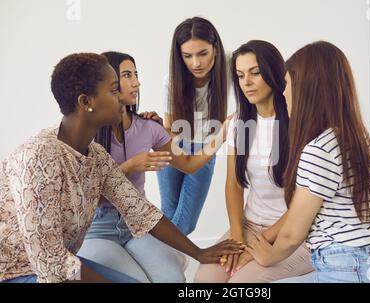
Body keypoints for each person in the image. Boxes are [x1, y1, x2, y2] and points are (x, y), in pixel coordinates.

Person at [0, 53, 243, 283]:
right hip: (18, 272)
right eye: (115, 89)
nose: (124, 96)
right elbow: (49, 265)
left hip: (62, 262)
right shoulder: (39, 157)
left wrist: (199, 253)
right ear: (86, 102)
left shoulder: (96, 156)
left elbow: (141, 211)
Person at [246, 41, 370, 283]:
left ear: (309, 88)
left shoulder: (319, 150)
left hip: (347, 269)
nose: (283, 93)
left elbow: (293, 234)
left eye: (287, 85)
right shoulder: (356, 136)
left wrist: (269, 255)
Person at [78, 51, 231, 282]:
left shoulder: (149, 127)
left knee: (173, 279)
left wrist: (220, 136)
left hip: (138, 225)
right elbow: (82, 198)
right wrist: (128, 167)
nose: (137, 82)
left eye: (136, 74)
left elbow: (188, 164)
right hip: (97, 229)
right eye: (127, 75)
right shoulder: (85, 135)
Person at [194, 41, 314, 283]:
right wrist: (238, 238)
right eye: (240, 75)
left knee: (241, 284)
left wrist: (259, 244)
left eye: (255, 73)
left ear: (273, 73)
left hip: (293, 232)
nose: (246, 82)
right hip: (250, 226)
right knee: (205, 280)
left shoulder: (298, 125)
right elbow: (233, 186)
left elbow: (301, 204)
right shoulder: (239, 123)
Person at [157, 17, 228, 235]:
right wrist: (158, 127)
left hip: (205, 150)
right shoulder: (172, 80)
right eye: (187, 56)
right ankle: (164, 264)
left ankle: (159, 259)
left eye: (202, 53)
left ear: (215, 48)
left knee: (185, 223)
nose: (196, 63)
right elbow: (170, 128)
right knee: (168, 213)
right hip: (174, 148)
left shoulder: (229, 71)